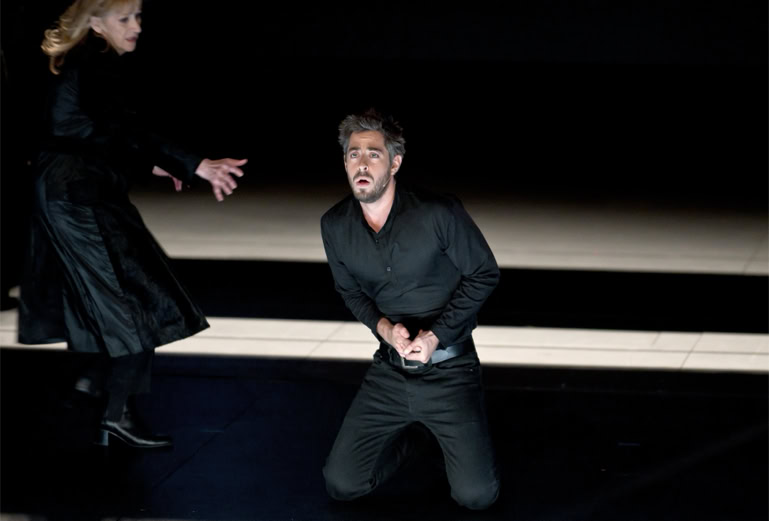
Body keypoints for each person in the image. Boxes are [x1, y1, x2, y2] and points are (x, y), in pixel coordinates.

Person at [17, 0, 247, 449]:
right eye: (124, 18)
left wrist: (160, 164)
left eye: (138, 16)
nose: (136, 26)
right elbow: (107, 129)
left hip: (76, 189)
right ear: (95, 21)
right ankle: (114, 410)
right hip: (76, 195)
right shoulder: (92, 61)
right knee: (134, 299)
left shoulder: (85, 60)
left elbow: (97, 132)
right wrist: (192, 163)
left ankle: (91, 386)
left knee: (120, 295)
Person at [320, 109, 501, 510]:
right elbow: (349, 292)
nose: (362, 164)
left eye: (374, 154)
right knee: (342, 484)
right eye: (353, 154)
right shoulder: (334, 225)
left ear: (395, 163)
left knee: (476, 497)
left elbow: (484, 274)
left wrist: (436, 335)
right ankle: (419, 437)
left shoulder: (438, 212)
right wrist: (384, 328)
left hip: (451, 371)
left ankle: (441, 433)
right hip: (389, 373)